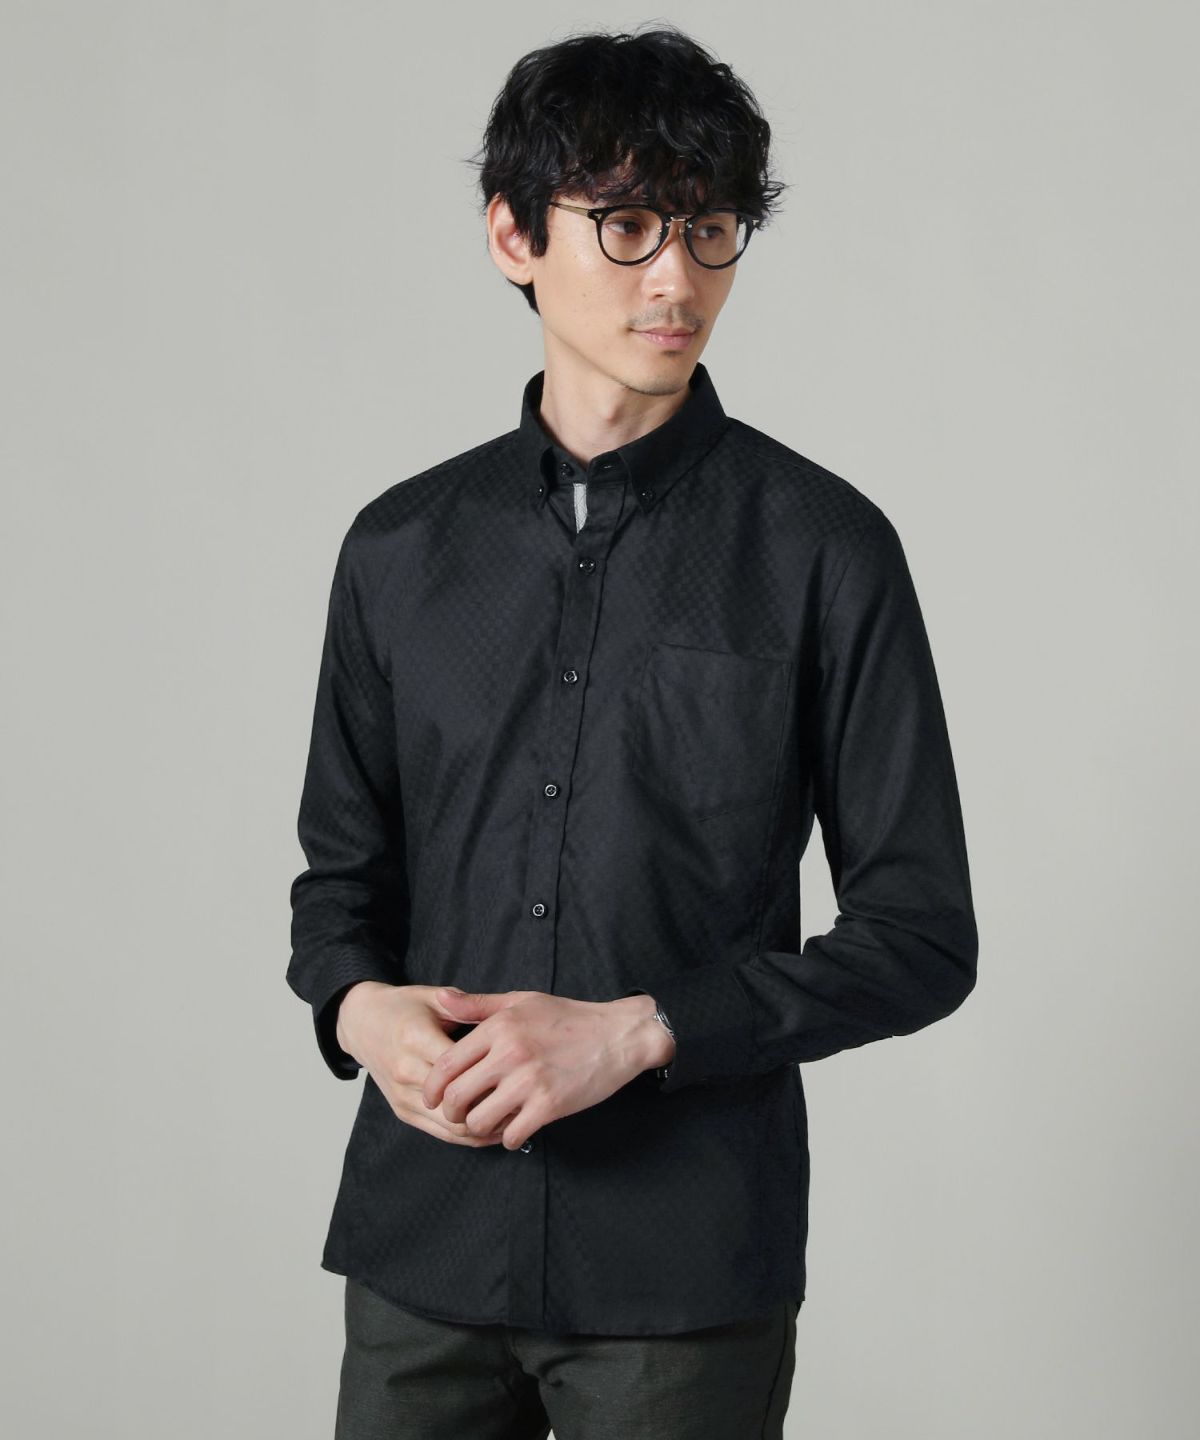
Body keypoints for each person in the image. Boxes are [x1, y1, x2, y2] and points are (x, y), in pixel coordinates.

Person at [287, 23, 978, 1440]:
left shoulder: (825, 551)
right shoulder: (398, 550)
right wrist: (358, 1009)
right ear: (513, 235)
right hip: (423, 1249)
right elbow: (340, 889)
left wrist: (643, 1033)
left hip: (682, 1276)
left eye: (710, 229)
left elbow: (920, 935)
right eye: (628, 226)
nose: (678, 278)